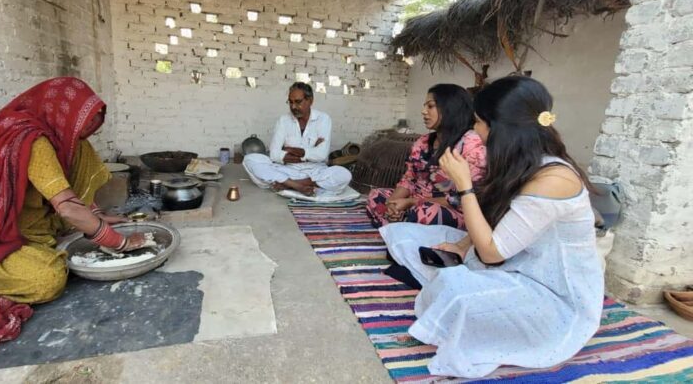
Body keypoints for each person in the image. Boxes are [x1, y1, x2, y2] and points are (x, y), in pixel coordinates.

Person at [380, 76, 604, 378]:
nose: (475, 130)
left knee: (454, 290)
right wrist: (460, 246)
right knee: (404, 234)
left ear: (502, 129)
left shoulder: (554, 179)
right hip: (513, 261)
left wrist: (464, 186)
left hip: (550, 295)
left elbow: (491, 253)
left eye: (479, 123)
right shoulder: (522, 162)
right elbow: (494, 221)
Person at [0, 77, 149, 304]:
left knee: (81, 148)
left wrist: (96, 216)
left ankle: (82, 224)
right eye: (84, 123)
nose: (89, 130)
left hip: (40, 223)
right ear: (63, 113)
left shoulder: (66, 140)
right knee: (48, 279)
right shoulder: (33, 141)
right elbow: (68, 209)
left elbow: (72, 191)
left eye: (94, 124)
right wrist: (121, 242)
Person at [366, 84, 486, 229]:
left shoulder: (470, 144)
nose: (423, 112)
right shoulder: (422, 142)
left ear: (450, 108)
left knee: (426, 212)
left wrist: (412, 202)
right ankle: (399, 224)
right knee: (376, 195)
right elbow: (408, 180)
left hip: (451, 210)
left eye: (430, 106)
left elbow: (464, 198)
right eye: (425, 106)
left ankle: (396, 226)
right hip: (415, 203)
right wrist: (393, 204)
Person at [243, 82, 351, 196]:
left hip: (315, 171)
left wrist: (290, 150)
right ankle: (299, 186)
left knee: (344, 174)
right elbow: (274, 154)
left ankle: (289, 184)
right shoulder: (283, 121)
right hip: (287, 170)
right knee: (250, 159)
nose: (293, 107)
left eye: (298, 102)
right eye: (290, 102)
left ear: (310, 100)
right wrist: (308, 153)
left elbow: (321, 155)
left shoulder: (323, 119)